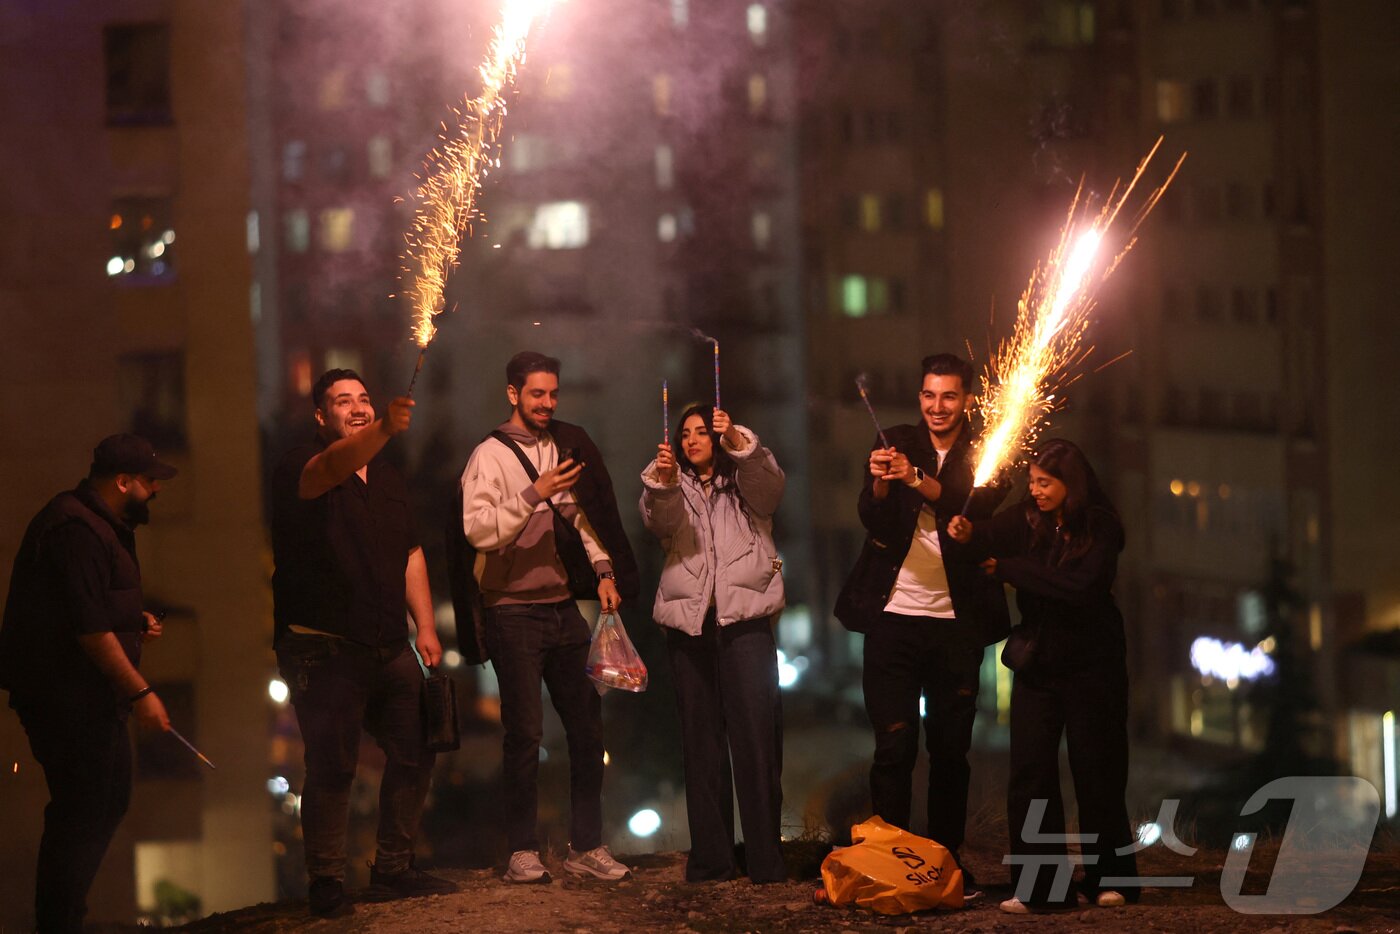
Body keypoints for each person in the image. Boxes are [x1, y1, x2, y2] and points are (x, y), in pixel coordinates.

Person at [270, 368, 454, 917]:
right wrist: (383, 432)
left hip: (386, 641)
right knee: (333, 763)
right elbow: (327, 469)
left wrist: (424, 625)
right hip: (323, 645)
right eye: (342, 401)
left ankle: (394, 867)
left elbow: (411, 553)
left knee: (417, 744)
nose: (356, 407)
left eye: (364, 400)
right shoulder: (300, 463)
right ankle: (326, 880)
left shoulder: (391, 479)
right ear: (321, 417)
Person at [459, 351, 638, 884]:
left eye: (554, 394)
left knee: (587, 726)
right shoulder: (487, 456)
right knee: (524, 734)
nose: (548, 403)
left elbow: (579, 518)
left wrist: (604, 570)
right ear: (513, 393)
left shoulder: (561, 446)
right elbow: (478, 531)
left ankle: (587, 845)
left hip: (562, 608)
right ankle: (521, 851)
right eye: (537, 394)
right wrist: (533, 491)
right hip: (511, 611)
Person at [834, 353, 1010, 886]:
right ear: (919, 398)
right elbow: (873, 516)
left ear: (967, 400)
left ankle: (943, 863)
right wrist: (884, 482)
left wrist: (916, 479)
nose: (938, 407)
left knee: (950, 751)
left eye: (949, 396)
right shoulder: (894, 440)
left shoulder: (989, 447)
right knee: (893, 744)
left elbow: (971, 506)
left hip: (957, 623)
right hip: (894, 619)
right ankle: (890, 861)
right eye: (930, 396)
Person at [947, 438, 1137, 913]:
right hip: (1039, 665)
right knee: (1030, 774)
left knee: (1098, 772)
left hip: (1094, 666)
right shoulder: (1026, 518)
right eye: (1032, 482)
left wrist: (1010, 569)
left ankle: (1110, 878)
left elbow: (1081, 586)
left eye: (1045, 483)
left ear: (1070, 484)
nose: (1035, 491)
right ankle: (1039, 887)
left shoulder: (1100, 526)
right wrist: (968, 533)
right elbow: (987, 537)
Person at [0, 434, 176, 934]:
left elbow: (92, 604)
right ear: (123, 482)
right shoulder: (74, 529)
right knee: (82, 806)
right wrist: (142, 692)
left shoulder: (104, 524)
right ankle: (59, 923)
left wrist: (133, 620)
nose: (155, 492)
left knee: (107, 796)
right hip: (64, 697)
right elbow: (88, 628)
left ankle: (65, 918)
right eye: (149, 482)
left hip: (89, 695)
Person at [639, 403, 787, 883]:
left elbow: (771, 490)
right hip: (690, 627)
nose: (692, 440)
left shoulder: (743, 479)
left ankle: (765, 860)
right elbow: (659, 524)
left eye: (701, 431)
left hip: (744, 624)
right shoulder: (669, 485)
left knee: (756, 743)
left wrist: (741, 444)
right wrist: (662, 481)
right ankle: (713, 860)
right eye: (685, 434)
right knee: (700, 746)